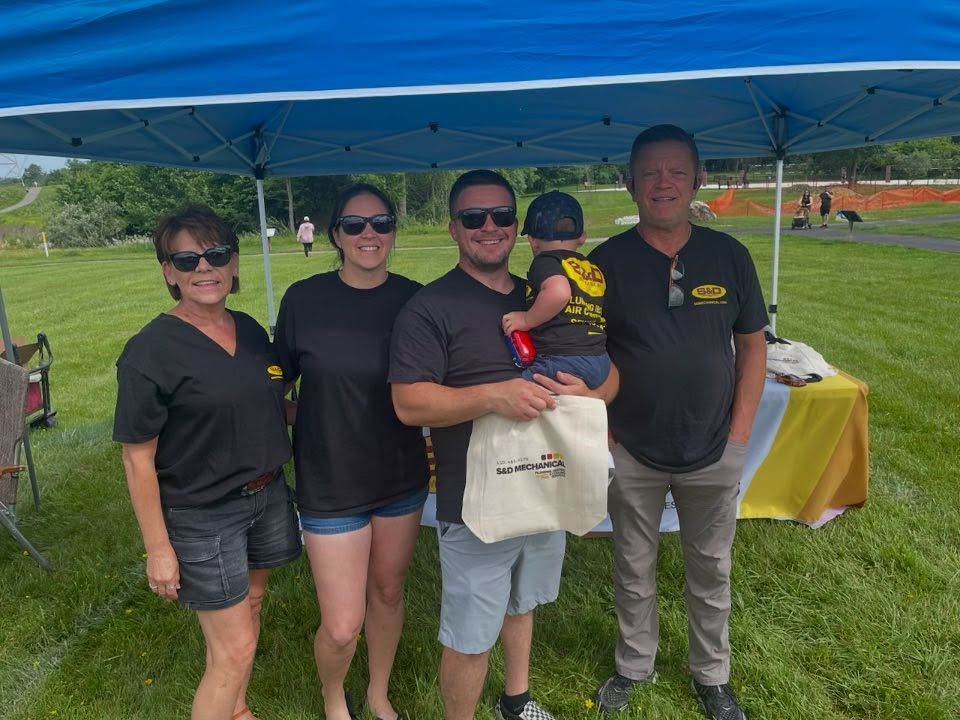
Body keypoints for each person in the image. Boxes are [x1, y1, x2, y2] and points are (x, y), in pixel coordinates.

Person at [390, 170, 618, 720]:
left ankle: (516, 700)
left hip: (547, 483)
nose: (489, 227)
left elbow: (610, 375)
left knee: (523, 603)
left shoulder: (543, 288)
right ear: (453, 228)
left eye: (501, 216)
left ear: (519, 227)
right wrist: (493, 395)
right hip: (476, 501)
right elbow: (409, 403)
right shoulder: (430, 306)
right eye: (474, 217)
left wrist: (591, 392)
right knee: (471, 635)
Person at [588, 125, 767, 720]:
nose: (662, 183)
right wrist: (607, 436)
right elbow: (588, 352)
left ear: (697, 180)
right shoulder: (604, 264)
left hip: (714, 444)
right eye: (650, 172)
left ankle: (712, 676)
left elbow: (753, 346)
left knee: (711, 568)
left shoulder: (729, 255)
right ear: (629, 183)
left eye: (676, 172)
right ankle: (633, 665)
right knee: (632, 565)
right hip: (632, 447)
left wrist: (739, 436)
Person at [113, 206, 301, 720]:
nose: (204, 267)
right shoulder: (149, 352)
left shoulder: (251, 331)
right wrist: (159, 549)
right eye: (186, 259)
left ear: (234, 263)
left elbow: (268, 402)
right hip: (203, 513)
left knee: (252, 608)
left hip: (267, 495)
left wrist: (335, 414)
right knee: (233, 650)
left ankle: (236, 710)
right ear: (168, 272)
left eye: (216, 255)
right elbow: (137, 457)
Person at [274, 183, 429, 720]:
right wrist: (310, 416)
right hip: (330, 481)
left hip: (400, 477)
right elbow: (274, 386)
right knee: (342, 625)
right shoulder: (303, 300)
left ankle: (377, 692)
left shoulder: (416, 300)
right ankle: (333, 696)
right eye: (355, 225)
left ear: (393, 232)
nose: (369, 234)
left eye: (381, 223)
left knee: (387, 592)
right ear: (335, 235)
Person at [501, 190, 610, 389]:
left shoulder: (546, 261)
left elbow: (559, 292)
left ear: (532, 240)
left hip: (564, 358)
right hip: (600, 360)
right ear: (582, 237)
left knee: (514, 392)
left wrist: (526, 320)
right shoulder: (591, 269)